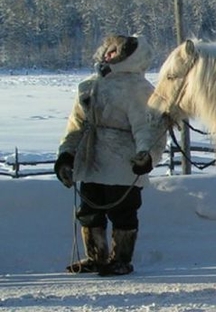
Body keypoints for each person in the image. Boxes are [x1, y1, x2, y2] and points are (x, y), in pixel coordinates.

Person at [54, 34, 166, 276]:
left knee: (123, 212)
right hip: (91, 159)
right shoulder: (90, 86)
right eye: (109, 49)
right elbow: (76, 125)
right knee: (89, 210)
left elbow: (147, 128)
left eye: (115, 51)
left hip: (122, 163)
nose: (108, 54)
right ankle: (96, 257)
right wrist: (66, 156)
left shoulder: (139, 90)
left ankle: (121, 259)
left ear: (130, 56)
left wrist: (146, 156)